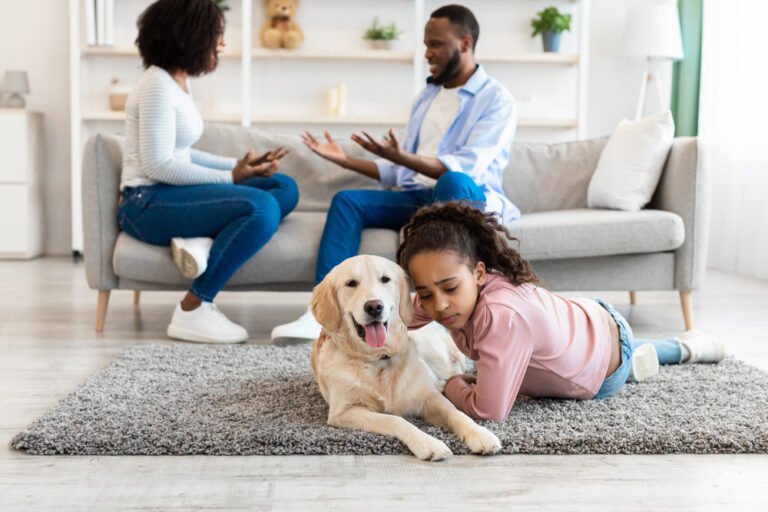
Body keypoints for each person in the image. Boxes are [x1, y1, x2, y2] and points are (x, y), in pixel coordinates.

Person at [271, 4, 519, 343]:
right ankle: (321, 316)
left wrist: (401, 156)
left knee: (453, 180)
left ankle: (436, 313)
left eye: (436, 44)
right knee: (348, 201)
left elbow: (466, 167)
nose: (427, 53)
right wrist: (345, 160)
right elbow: (401, 168)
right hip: (418, 197)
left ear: (464, 42)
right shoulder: (426, 97)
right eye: (425, 44)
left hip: (461, 196)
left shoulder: (496, 99)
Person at [396, 202, 725, 421]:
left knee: (628, 359)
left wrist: (453, 384)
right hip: (589, 321)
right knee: (631, 349)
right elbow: (401, 316)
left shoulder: (502, 317)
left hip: (602, 373)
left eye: (449, 288)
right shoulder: (458, 292)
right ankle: (680, 345)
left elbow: (490, 411)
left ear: (479, 273)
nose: (438, 305)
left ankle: (681, 350)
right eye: (425, 293)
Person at [119, 0, 298, 344]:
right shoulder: (156, 85)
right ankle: (194, 308)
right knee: (261, 208)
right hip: (145, 205)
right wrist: (232, 178)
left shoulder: (177, 83)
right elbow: (159, 165)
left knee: (283, 185)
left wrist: (239, 167)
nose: (222, 43)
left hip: (168, 195)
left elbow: (181, 153)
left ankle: (200, 241)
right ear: (190, 35)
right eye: (217, 34)